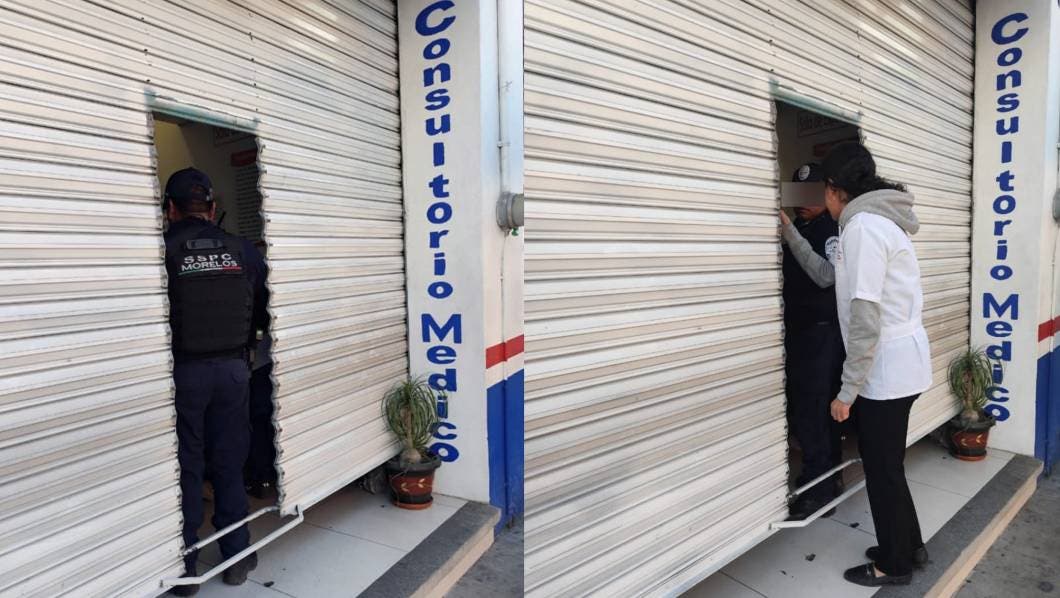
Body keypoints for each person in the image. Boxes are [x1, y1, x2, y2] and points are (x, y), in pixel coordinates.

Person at [819, 143, 933, 587]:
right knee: (890, 466)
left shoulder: (863, 228)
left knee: (882, 470)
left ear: (835, 189)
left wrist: (846, 392)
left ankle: (894, 564)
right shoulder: (878, 221)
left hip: (885, 370)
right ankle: (911, 546)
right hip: (900, 363)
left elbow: (866, 317)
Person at [163, 168, 268, 595]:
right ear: (211, 207)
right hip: (233, 372)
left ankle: (186, 571)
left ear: (170, 209)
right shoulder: (243, 250)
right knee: (229, 461)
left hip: (183, 374)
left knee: (187, 466)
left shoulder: (162, 251)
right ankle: (237, 557)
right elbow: (263, 307)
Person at [779, 162, 845, 520]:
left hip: (820, 336)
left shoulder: (830, 229)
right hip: (803, 335)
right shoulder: (802, 226)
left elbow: (825, 277)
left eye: (812, 194)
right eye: (797, 193)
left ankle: (818, 490)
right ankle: (829, 480)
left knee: (813, 412)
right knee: (814, 411)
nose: (803, 201)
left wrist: (790, 232)